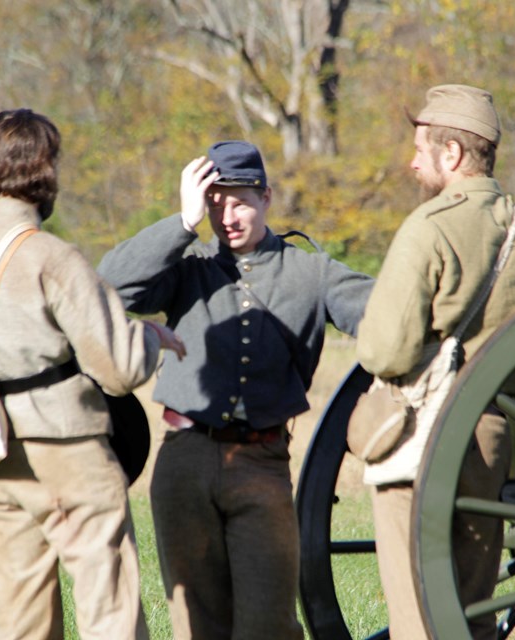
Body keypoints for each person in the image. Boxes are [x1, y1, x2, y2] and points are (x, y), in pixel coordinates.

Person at [0, 109, 185, 640]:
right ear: (46, 171)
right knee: (108, 607)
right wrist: (152, 337)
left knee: (20, 619)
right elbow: (119, 369)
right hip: (70, 454)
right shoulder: (52, 257)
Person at [97, 140, 374, 640]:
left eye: (239, 199)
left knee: (268, 625)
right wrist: (183, 222)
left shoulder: (311, 272)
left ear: (266, 195)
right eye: (215, 203)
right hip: (183, 462)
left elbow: (384, 313)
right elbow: (109, 290)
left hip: (263, 464)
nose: (227, 215)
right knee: (196, 623)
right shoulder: (188, 268)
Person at [356, 84, 515, 639]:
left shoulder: (431, 226)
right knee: (469, 609)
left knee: (419, 616)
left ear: (453, 155)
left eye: (422, 148)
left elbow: (383, 350)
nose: (412, 160)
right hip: (495, 438)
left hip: (422, 438)